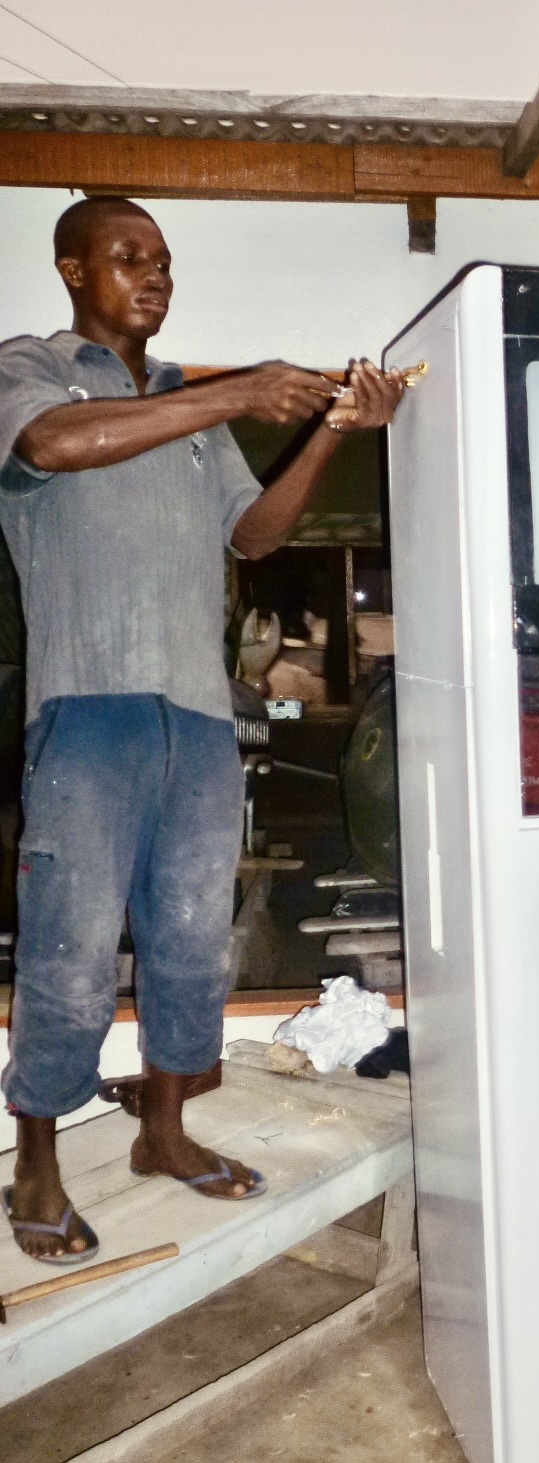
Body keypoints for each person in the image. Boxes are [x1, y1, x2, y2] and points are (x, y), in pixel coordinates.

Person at [0, 196, 405, 1261]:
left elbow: (256, 533)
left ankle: (164, 1132)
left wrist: (327, 429)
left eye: (165, 260)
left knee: (190, 943)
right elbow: (55, 443)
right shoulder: (33, 372)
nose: (155, 274)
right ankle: (36, 1155)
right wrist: (235, 389)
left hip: (199, 716)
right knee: (72, 950)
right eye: (129, 256)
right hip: (86, 710)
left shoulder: (196, 413)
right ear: (72, 269)